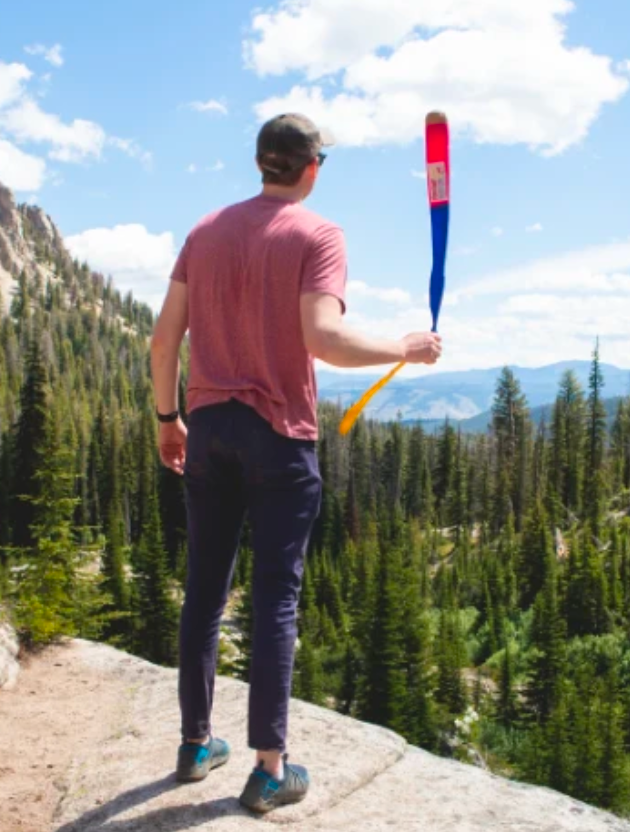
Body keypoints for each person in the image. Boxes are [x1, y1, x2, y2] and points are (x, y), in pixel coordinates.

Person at [150, 113, 443, 814]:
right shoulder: (318, 234)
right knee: (275, 599)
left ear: (261, 163)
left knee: (204, 591)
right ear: (311, 167)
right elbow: (326, 339)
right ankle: (270, 769)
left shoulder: (204, 231)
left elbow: (164, 343)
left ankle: (195, 746)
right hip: (279, 436)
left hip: (210, 428)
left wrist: (168, 420)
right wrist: (406, 347)